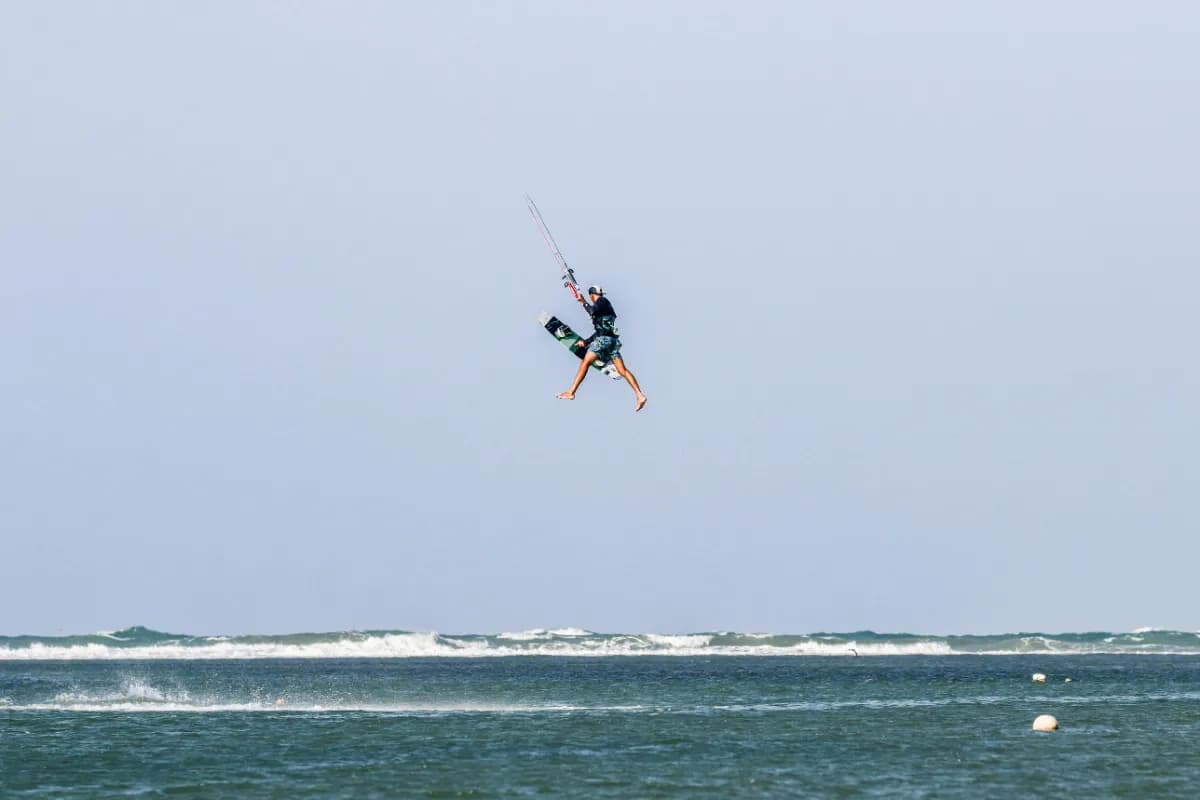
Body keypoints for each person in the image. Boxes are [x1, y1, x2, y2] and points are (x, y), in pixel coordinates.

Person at [557, 285, 647, 412]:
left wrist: (585, 303)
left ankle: (571, 391)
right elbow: (599, 328)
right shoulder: (604, 309)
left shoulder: (602, 301)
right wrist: (586, 342)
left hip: (603, 341)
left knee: (585, 362)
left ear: (592, 295)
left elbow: (594, 310)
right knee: (623, 371)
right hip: (612, 342)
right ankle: (640, 395)